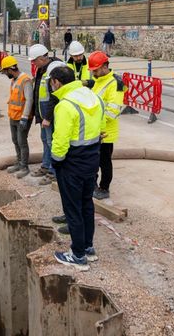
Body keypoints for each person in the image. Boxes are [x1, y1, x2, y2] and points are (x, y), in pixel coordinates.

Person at [47, 65, 103, 271]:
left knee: (73, 210)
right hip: (91, 159)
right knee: (87, 205)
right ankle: (88, 247)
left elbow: (60, 141)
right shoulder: (93, 97)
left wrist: (55, 161)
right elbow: (101, 126)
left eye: (51, 82)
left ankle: (78, 256)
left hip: (71, 163)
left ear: (56, 82)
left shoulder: (64, 105)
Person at [87, 51, 124, 200]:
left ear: (104, 66)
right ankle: (93, 185)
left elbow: (113, 111)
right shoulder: (99, 80)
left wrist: (95, 121)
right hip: (95, 129)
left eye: (95, 70)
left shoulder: (115, 83)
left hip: (106, 132)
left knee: (104, 162)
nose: (93, 73)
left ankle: (104, 188)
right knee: (94, 161)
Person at [27, 44, 63, 185]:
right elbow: (40, 93)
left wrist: (48, 117)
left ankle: (53, 172)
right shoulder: (42, 69)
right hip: (43, 113)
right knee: (45, 140)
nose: (33, 63)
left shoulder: (54, 69)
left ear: (42, 58)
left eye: (34, 60)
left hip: (50, 114)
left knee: (52, 142)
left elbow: (55, 96)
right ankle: (46, 165)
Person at [0, 55, 33, 178]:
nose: (4, 74)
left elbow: (29, 100)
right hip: (13, 116)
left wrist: (25, 117)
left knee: (22, 142)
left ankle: (24, 166)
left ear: (10, 69)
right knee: (15, 140)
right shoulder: (13, 80)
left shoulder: (25, 80)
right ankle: (19, 163)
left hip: (22, 118)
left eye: (4, 71)